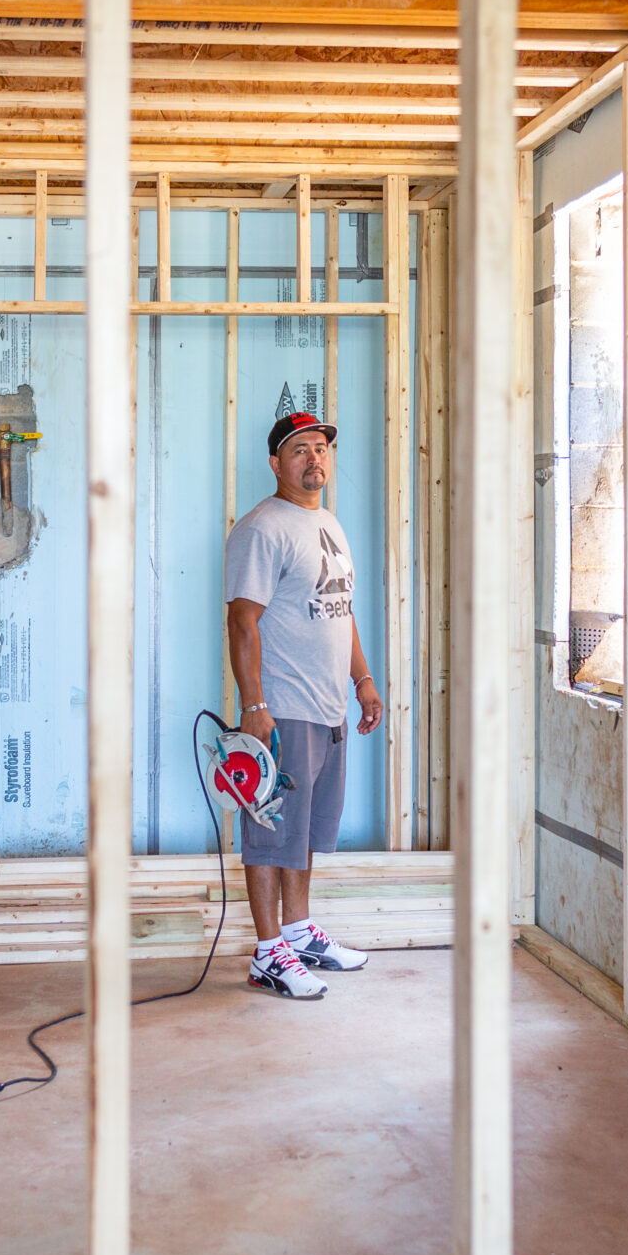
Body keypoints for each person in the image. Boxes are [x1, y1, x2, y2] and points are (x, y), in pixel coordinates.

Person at [222, 410, 385, 1000]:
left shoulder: (330, 525)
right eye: (299, 451)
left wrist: (362, 679)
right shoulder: (263, 527)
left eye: (321, 449)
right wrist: (255, 704)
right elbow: (243, 620)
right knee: (269, 833)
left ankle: (299, 932)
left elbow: (340, 612)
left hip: (328, 707)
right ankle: (269, 952)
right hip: (284, 706)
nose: (314, 459)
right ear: (275, 463)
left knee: (304, 833)